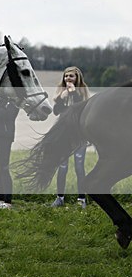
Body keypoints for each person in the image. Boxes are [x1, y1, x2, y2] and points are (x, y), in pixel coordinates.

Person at [51, 66, 90, 209]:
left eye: (71, 76)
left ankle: (81, 199)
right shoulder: (61, 92)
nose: (68, 78)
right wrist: (61, 99)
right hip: (64, 135)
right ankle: (59, 198)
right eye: (66, 76)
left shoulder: (82, 92)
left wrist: (73, 94)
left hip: (78, 135)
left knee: (79, 167)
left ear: (77, 78)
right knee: (62, 167)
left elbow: (81, 109)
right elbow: (56, 112)